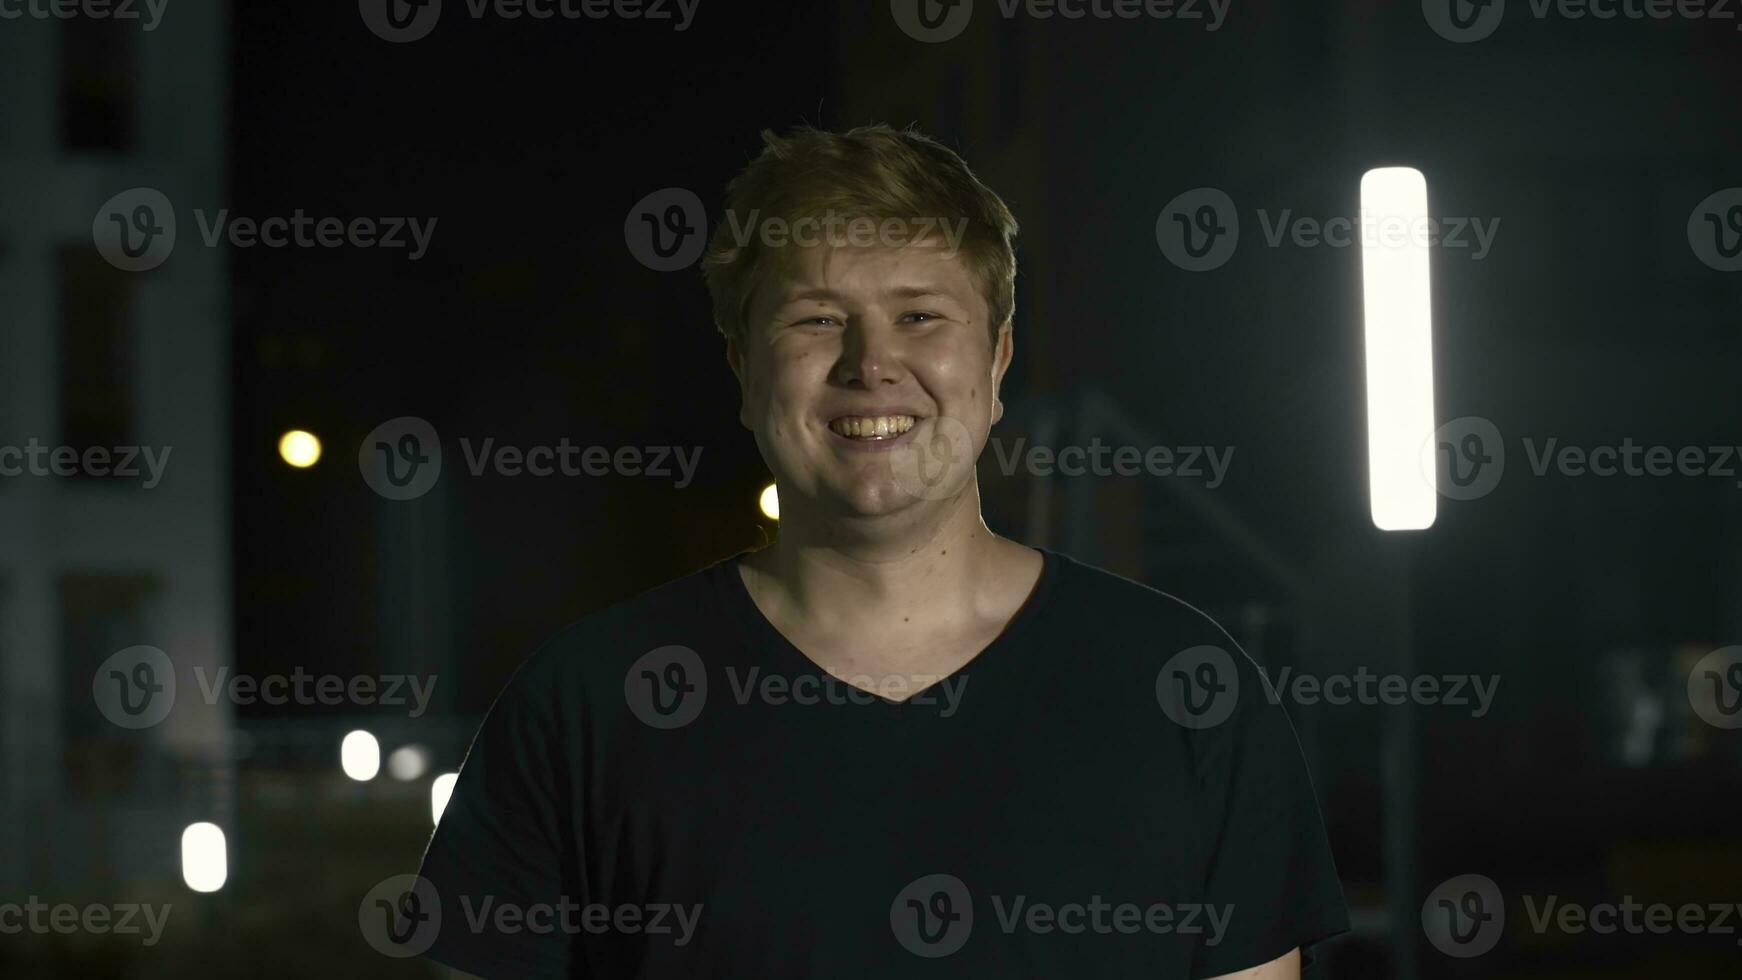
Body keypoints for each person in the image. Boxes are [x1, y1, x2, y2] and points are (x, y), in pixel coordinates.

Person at [412, 123, 1348, 978]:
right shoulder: (582, 709)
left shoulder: (1187, 692)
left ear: (997, 359)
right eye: (817, 318)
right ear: (743, 369)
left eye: (920, 316)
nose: (870, 364)